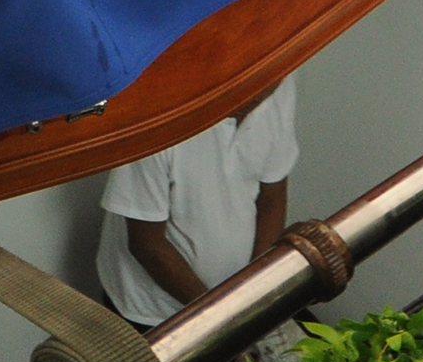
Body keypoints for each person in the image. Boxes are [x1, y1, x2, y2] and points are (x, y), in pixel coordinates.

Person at [96, 83, 297, 331]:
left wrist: (257, 289)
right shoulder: (157, 120)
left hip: (233, 301)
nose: (254, 96)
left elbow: (272, 199)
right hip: (152, 314)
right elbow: (148, 247)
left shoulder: (278, 82)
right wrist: (225, 320)